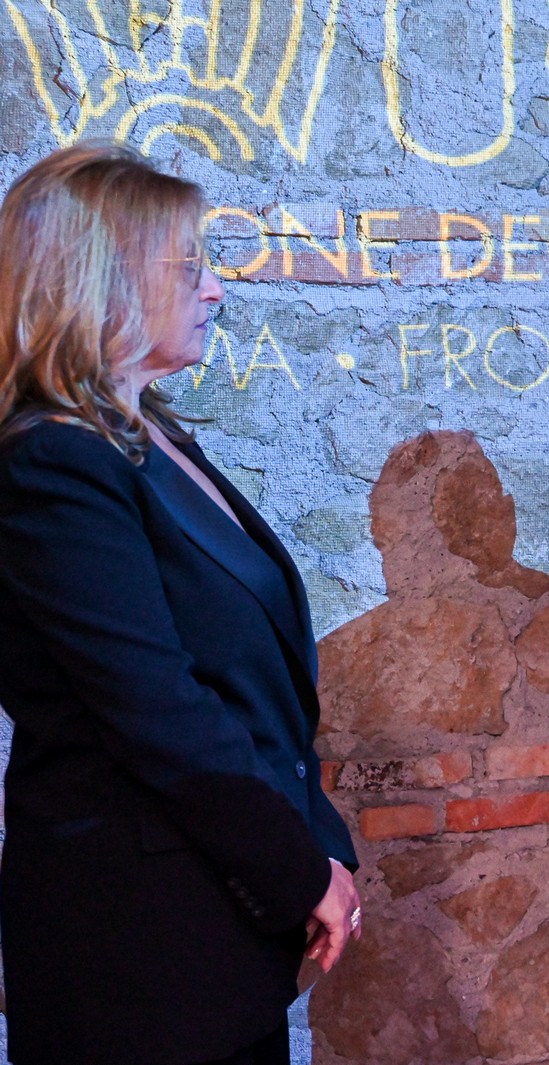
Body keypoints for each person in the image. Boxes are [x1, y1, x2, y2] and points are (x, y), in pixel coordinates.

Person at [0, 144, 361, 1065]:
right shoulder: (53, 461)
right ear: (102, 282)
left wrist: (319, 848)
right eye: (189, 266)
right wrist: (297, 871)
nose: (215, 289)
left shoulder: (147, 434)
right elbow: (160, 708)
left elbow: (257, 688)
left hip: (212, 926)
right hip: (137, 952)